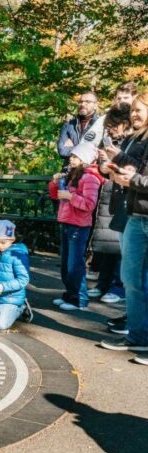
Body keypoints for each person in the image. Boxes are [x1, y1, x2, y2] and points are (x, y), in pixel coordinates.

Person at [101, 91, 148, 356]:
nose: (134, 115)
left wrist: (132, 181)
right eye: (132, 111)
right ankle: (138, 337)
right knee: (131, 280)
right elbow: (137, 170)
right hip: (135, 216)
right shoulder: (135, 138)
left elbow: (141, 177)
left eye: (139, 110)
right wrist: (113, 168)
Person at [52, 143, 102, 311]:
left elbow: (90, 204)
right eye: (71, 156)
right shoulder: (72, 175)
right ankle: (70, 294)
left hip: (79, 226)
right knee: (66, 263)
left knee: (75, 265)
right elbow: (55, 195)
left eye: (75, 157)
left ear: (85, 159)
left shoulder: (90, 178)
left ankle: (80, 299)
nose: (71, 159)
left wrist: (70, 196)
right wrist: (55, 183)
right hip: (66, 222)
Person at [90, 103, 132, 305]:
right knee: (107, 243)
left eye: (113, 127)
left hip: (126, 196)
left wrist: (114, 161)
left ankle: (118, 286)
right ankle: (103, 283)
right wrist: (103, 164)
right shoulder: (110, 141)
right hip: (111, 193)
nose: (110, 131)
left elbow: (132, 170)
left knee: (120, 246)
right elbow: (104, 170)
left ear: (124, 124)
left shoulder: (133, 141)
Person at [57, 92, 103, 168]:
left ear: (95, 105)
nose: (82, 104)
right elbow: (62, 151)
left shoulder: (101, 125)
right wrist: (87, 150)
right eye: (81, 102)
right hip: (69, 172)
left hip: (92, 172)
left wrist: (73, 148)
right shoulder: (68, 126)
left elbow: (101, 152)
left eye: (87, 102)